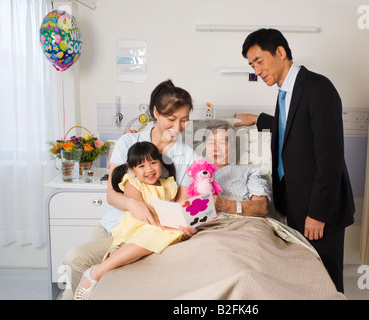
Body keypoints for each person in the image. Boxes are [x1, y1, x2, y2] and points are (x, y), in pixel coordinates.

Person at [234, 29, 355, 292]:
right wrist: (257, 119)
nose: (257, 70)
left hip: (319, 210)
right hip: (298, 204)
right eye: (252, 65)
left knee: (327, 283)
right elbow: (290, 130)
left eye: (259, 61)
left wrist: (318, 214)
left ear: (280, 52)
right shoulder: (285, 92)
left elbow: (331, 158)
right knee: (305, 278)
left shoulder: (318, 88)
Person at [64, 80, 198, 298]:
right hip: (114, 227)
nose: (178, 127)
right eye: (171, 119)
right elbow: (111, 194)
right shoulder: (128, 141)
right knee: (75, 260)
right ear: (155, 112)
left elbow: (179, 206)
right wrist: (134, 204)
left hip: (150, 231)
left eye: (184, 121)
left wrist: (182, 226)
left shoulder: (188, 157)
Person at [74, 142, 191, 299]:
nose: (149, 169)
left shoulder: (169, 185)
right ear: (132, 170)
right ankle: (96, 272)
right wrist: (168, 229)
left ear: (160, 163)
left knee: (173, 237)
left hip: (158, 226)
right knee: (156, 233)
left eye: (153, 162)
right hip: (138, 226)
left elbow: (169, 213)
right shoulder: (133, 183)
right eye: (141, 166)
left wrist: (180, 227)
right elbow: (142, 215)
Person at [204, 120, 271, 217]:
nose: (215, 148)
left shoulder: (249, 173)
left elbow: (261, 207)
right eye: (210, 143)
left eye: (221, 142)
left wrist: (226, 205)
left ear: (234, 147)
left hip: (240, 224)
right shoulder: (192, 174)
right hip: (204, 226)